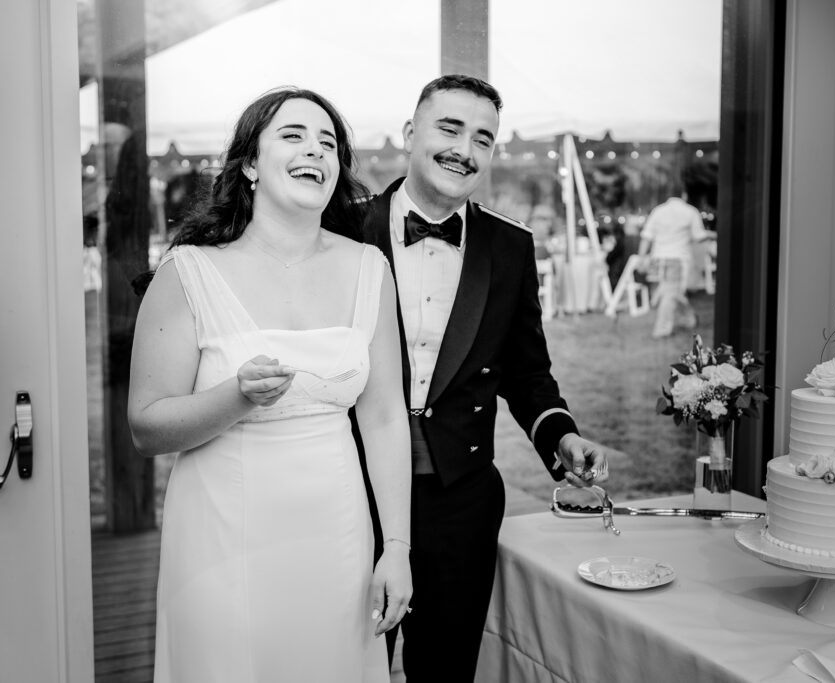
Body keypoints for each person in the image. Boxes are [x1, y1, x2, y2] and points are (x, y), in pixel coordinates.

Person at [127, 87, 412, 682]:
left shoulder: (369, 269)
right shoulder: (190, 272)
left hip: (336, 535)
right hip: (220, 537)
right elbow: (147, 426)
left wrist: (397, 549)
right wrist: (236, 396)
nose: (315, 150)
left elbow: (384, 417)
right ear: (250, 164)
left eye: (328, 142)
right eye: (293, 135)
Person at [358, 74, 612, 682]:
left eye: (483, 138)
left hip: (461, 500)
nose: (464, 150)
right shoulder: (340, 230)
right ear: (410, 133)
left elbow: (527, 371)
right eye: (449, 128)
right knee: (344, 664)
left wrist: (561, 436)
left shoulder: (511, 248)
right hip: (352, 490)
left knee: (445, 671)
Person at [637, 189, 711, 338]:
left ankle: (689, 319)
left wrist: (641, 257)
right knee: (670, 293)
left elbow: (647, 236)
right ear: (684, 195)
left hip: (658, 258)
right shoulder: (690, 211)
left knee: (671, 291)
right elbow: (698, 236)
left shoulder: (658, 211)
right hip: (677, 257)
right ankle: (662, 330)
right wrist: (715, 234)